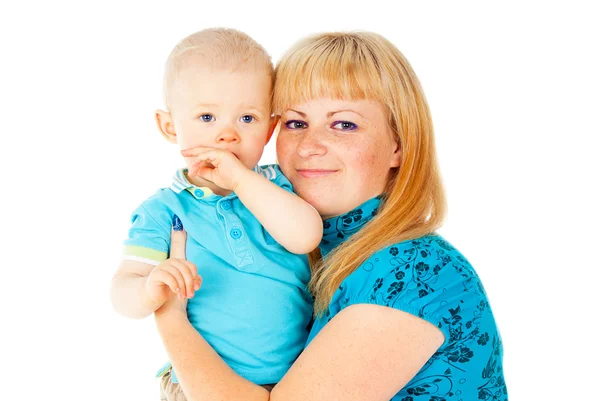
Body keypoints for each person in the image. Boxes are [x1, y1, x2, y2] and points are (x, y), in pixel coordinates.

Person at [153, 31, 508, 401]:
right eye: (295, 122)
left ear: (398, 146)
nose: (309, 146)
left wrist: (169, 314)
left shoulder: (416, 271)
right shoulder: (289, 244)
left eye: (344, 124)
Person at [110, 28, 323, 399]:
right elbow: (122, 294)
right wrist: (150, 287)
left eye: (247, 119)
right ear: (170, 126)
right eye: (207, 117)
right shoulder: (163, 211)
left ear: (270, 128)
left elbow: (305, 236)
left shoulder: (279, 189)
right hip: (196, 381)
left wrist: (241, 180)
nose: (227, 134)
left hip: (295, 380)